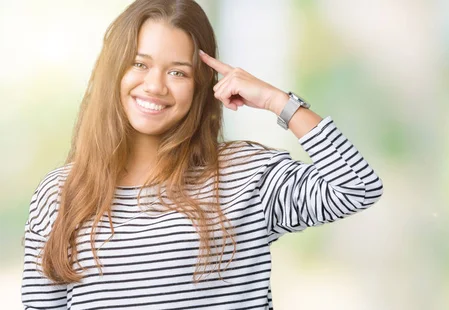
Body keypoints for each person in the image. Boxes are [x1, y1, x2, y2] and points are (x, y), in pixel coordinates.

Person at [21, 0, 384, 309]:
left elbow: (357, 187)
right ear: (112, 71)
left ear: (200, 86)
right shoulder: (61, 194)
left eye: (177, 72)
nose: (154, 85)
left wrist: (279, 102)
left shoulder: (246, 176)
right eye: (139, 64)